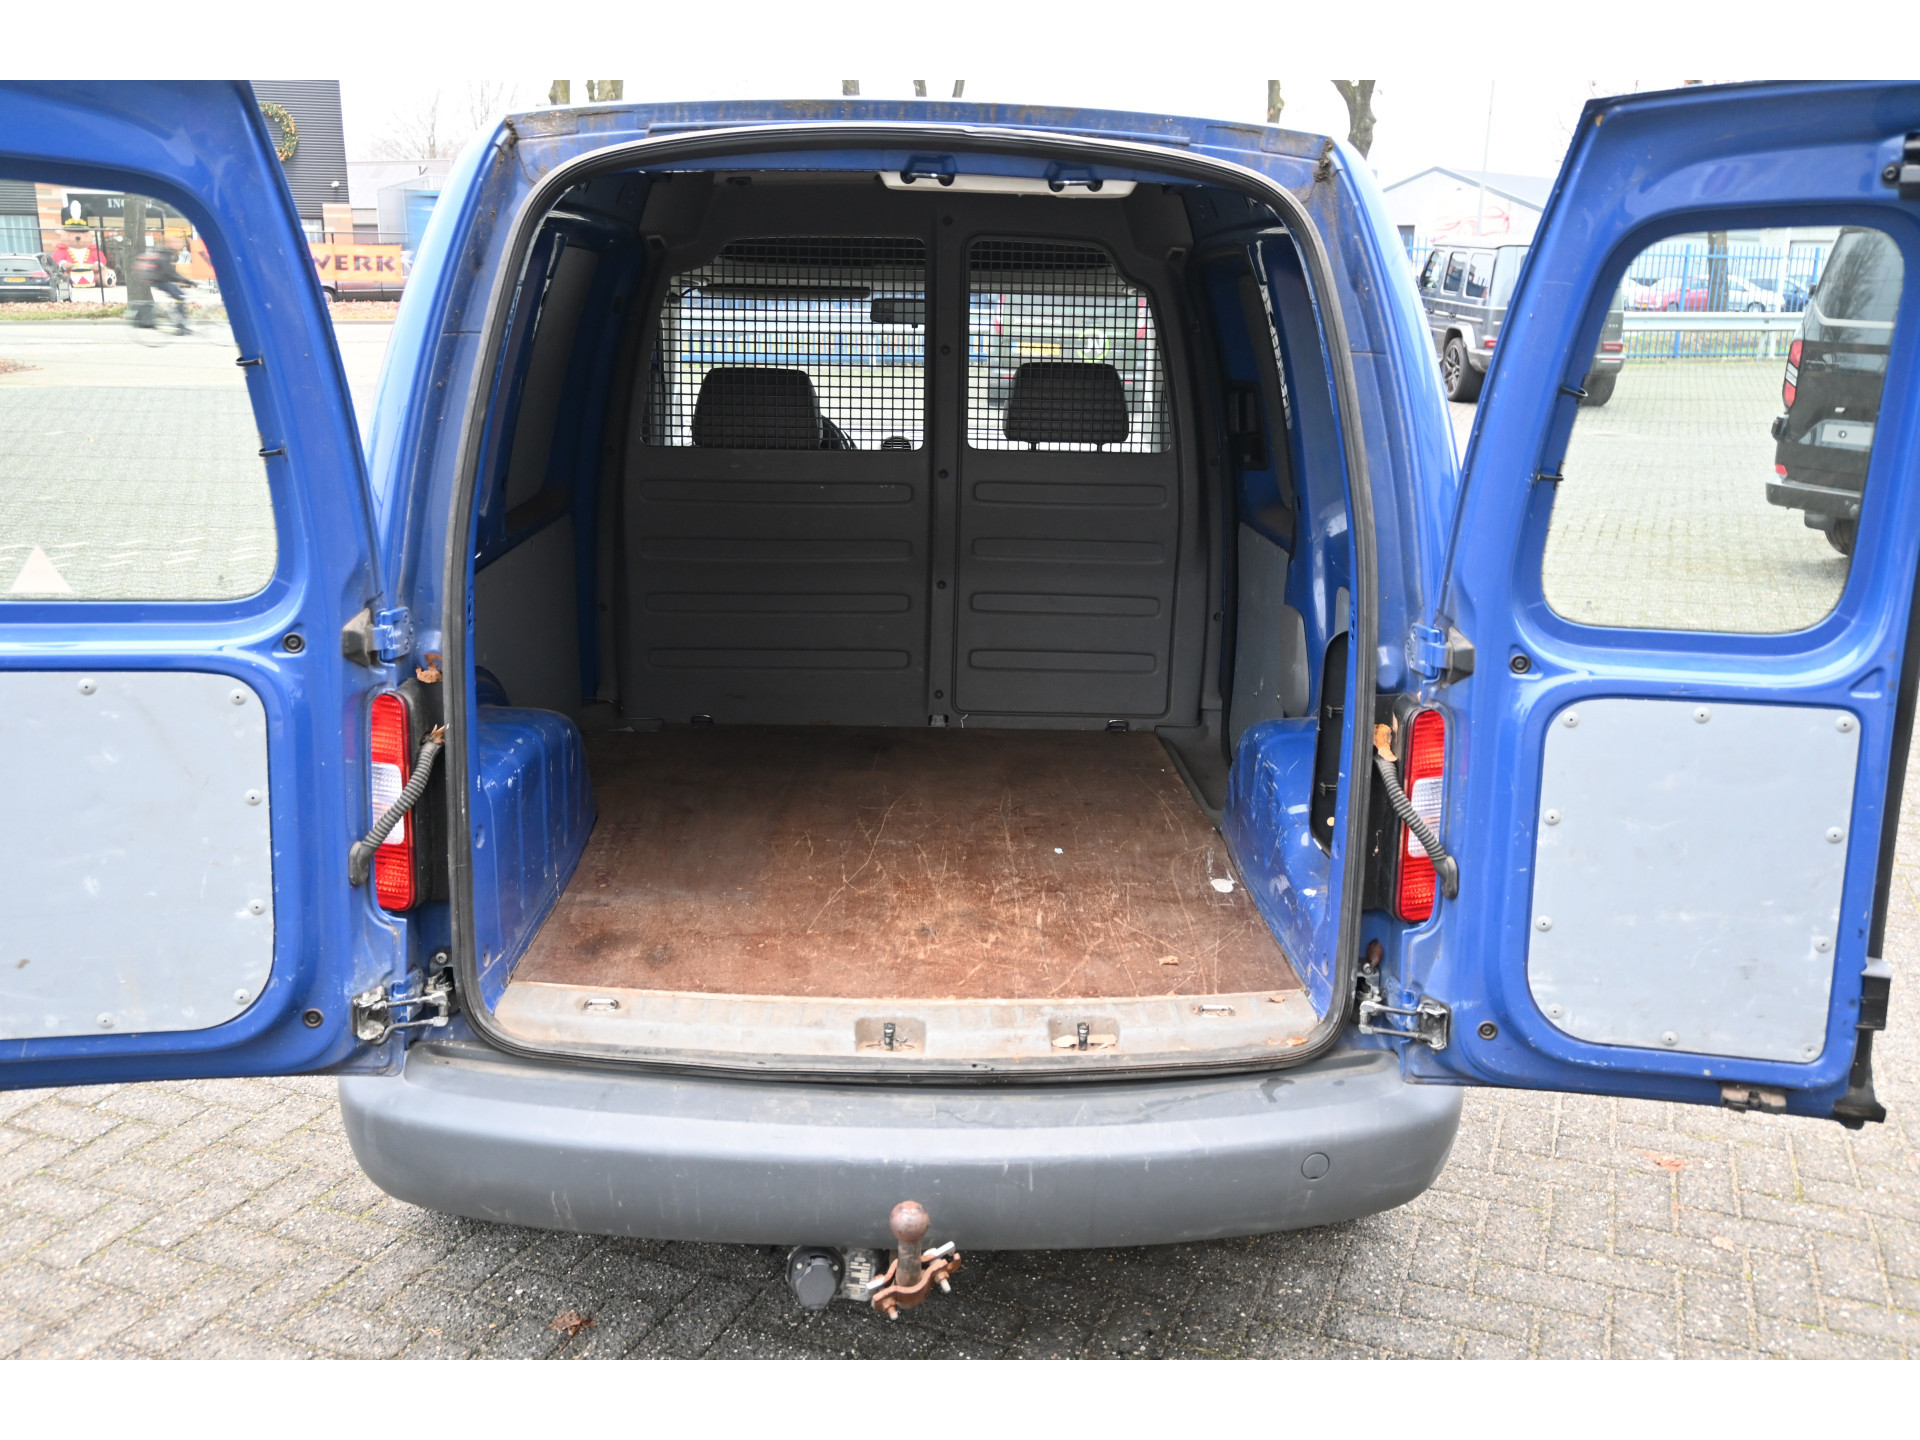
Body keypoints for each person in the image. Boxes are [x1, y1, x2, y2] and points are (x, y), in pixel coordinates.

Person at [132, 245, 193, 334]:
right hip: (160, 281)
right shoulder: (165, 255)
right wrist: (187, 281)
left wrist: (186, 280)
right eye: (178, 243)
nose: (180, 246)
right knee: (181, 297)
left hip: (159, 280)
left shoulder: (165, 254)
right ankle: (180, 325)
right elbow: (169, 274)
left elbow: (171, 273)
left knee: (180, 297)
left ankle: (180, 323)